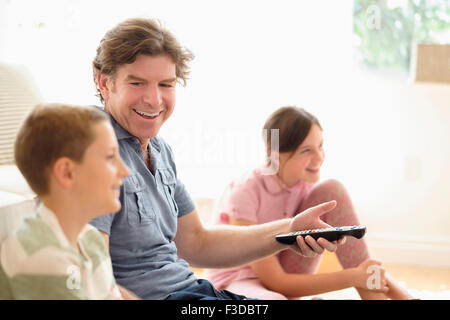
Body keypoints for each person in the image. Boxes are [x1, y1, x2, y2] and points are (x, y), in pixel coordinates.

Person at [89, 17, 346, 300]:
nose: (154, 99)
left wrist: (290, 229)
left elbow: (198, 242)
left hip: (193, 292)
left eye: (166, 84)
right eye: (137, 83)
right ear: (105, 83)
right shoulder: (92, 147)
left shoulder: (160, 151)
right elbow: (89, 268)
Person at [204, 106, 414, 300]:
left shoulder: (304, 185)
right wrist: (353, 277)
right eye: (306, 151)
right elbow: (276, 282)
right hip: (238, 281)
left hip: (284, 274)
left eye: (320, 146)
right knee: (275, 299)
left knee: (333, 189)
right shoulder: (244, 191)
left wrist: (401, 295)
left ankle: (374, 297)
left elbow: (361, 268)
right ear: (274, 155)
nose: (319, 157)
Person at [0, 103, 139, 299]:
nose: (125, 171)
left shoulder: (90, 239)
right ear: (67, 172)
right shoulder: (43, 258)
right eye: (110, 157)